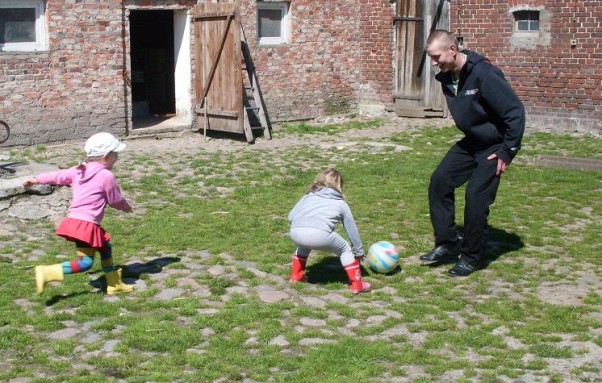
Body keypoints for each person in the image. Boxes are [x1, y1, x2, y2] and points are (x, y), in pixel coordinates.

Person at [420, 30, 525, 276]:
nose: (434, 63)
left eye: (437, 57)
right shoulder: (447, 76)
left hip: (494, 146)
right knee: (440, 181)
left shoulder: (484, 74)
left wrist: (507, 151)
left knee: (476, 198)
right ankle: (447, 243)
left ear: (452, 50)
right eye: (431, 58)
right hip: (472, 142)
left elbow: (515, 112)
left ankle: (471, 257)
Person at [23, 132, 135, 294]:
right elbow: (115, 199)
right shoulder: (106, 175)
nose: (117, 158)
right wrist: (126, 207)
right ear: (105, 156)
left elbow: (58, 176)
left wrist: (36, 179)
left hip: (76, 222)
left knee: (104, 247)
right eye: (115, 155)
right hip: (86, 225)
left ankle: (114, 284)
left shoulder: (79, 170)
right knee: (85, 263)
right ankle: (47, 272)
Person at [288, 167, 371, 295]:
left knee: (304, 244)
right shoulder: (341, 203)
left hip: (295, 232)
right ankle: (357, 284)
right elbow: (351, 229)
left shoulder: (308, 196)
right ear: (339, 186)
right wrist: (358, 251)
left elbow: (291, 216)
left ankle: (296, 276)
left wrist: (302, 223)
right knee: (345, 249)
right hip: (320, 234)